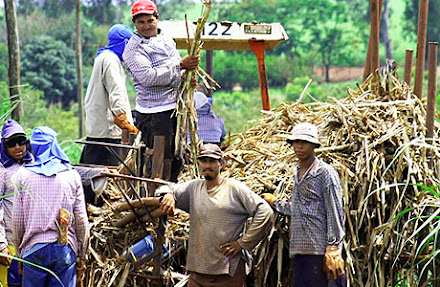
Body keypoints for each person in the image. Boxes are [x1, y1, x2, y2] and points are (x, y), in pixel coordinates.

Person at [158, 144, 274, 286]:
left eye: (212, 161)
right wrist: (169, 194)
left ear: (221, 164)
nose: (207, 165)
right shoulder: (194, 187)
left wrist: (242, 243)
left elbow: (265, 211)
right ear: (199, 164)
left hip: (226, 270)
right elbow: (165, 187)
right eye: (204, 161)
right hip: (199, 270)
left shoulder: (233, 188)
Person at [122, 0, 200, 181]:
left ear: (157, 18)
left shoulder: (166, 39)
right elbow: (149, 78)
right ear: (134, 23)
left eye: (150, 20)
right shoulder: (132, 50)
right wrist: (180, 65)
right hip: (154, 112)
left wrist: (185, 79)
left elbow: (177, 69)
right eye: (141, 22)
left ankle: (170, 193)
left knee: (175, 156)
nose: (146, 26)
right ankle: (155, 196)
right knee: (156, 159)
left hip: (174, 107)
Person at [262, 122, 346, 287]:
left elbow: (335, 210)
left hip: (320, 250)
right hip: (300, 250)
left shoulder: (324, 173)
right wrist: (275, 203)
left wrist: (333, 247)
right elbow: (299, 209)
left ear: (314, 145)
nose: (299, 146)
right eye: (296, 141)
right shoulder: (297, 173)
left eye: (304, 142)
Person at [12, 126, 89, 287]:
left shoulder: (22, 175)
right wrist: (82, 255)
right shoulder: (71, 175)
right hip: (63, 250)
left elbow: (17, 221)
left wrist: (19, 255)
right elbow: (81, 220)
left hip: (33, 251)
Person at [81, 23, 137, 168]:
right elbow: (115, 89)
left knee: (90, 170)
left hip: (97, 128)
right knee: (108, 175)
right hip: (108, 132)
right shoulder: (111, 60)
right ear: (125, 43)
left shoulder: (103, 57)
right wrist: (122, 117)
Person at [0, 119, 34, 287]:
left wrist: (97, 173)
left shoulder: (33, 166)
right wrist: (1, 245)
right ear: (4, 146)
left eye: (21, 142)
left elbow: (68, 170)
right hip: (10, 244)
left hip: (32, 244)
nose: (18, 147)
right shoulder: (2, 171)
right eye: (12, 143)